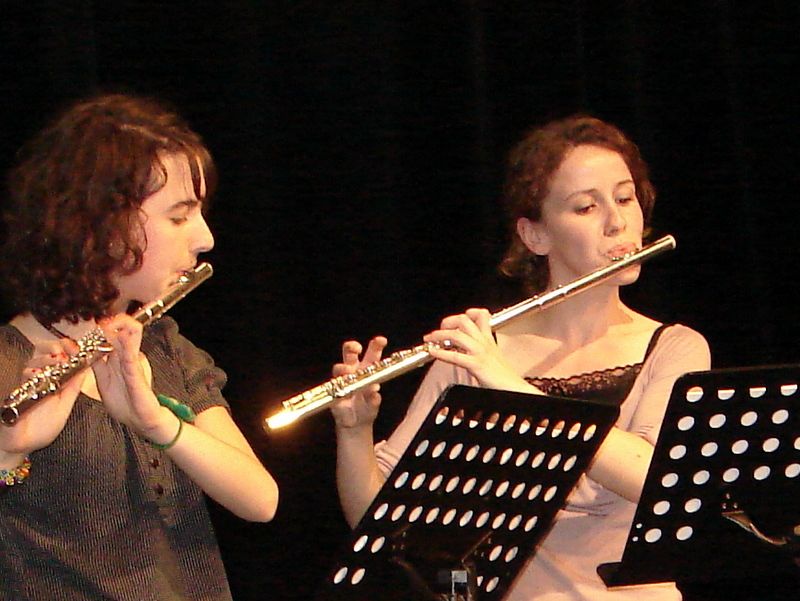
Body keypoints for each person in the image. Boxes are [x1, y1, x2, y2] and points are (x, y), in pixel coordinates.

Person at [331, 115, 711, 600]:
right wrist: (355, 430)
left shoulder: (675, 346)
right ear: (535, 236)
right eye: (586, 207)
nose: (617, 222)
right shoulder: (476, 351)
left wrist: (508, 384)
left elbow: (659, 479)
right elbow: (379, 521)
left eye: (624, 198)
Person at [0, 94, 279, 601]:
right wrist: (8, 450)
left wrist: (158, 424)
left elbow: (260, 500)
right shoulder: (7, 363)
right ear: (101, 224)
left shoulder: (167, 347)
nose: (205, 238)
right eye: (179, 217)